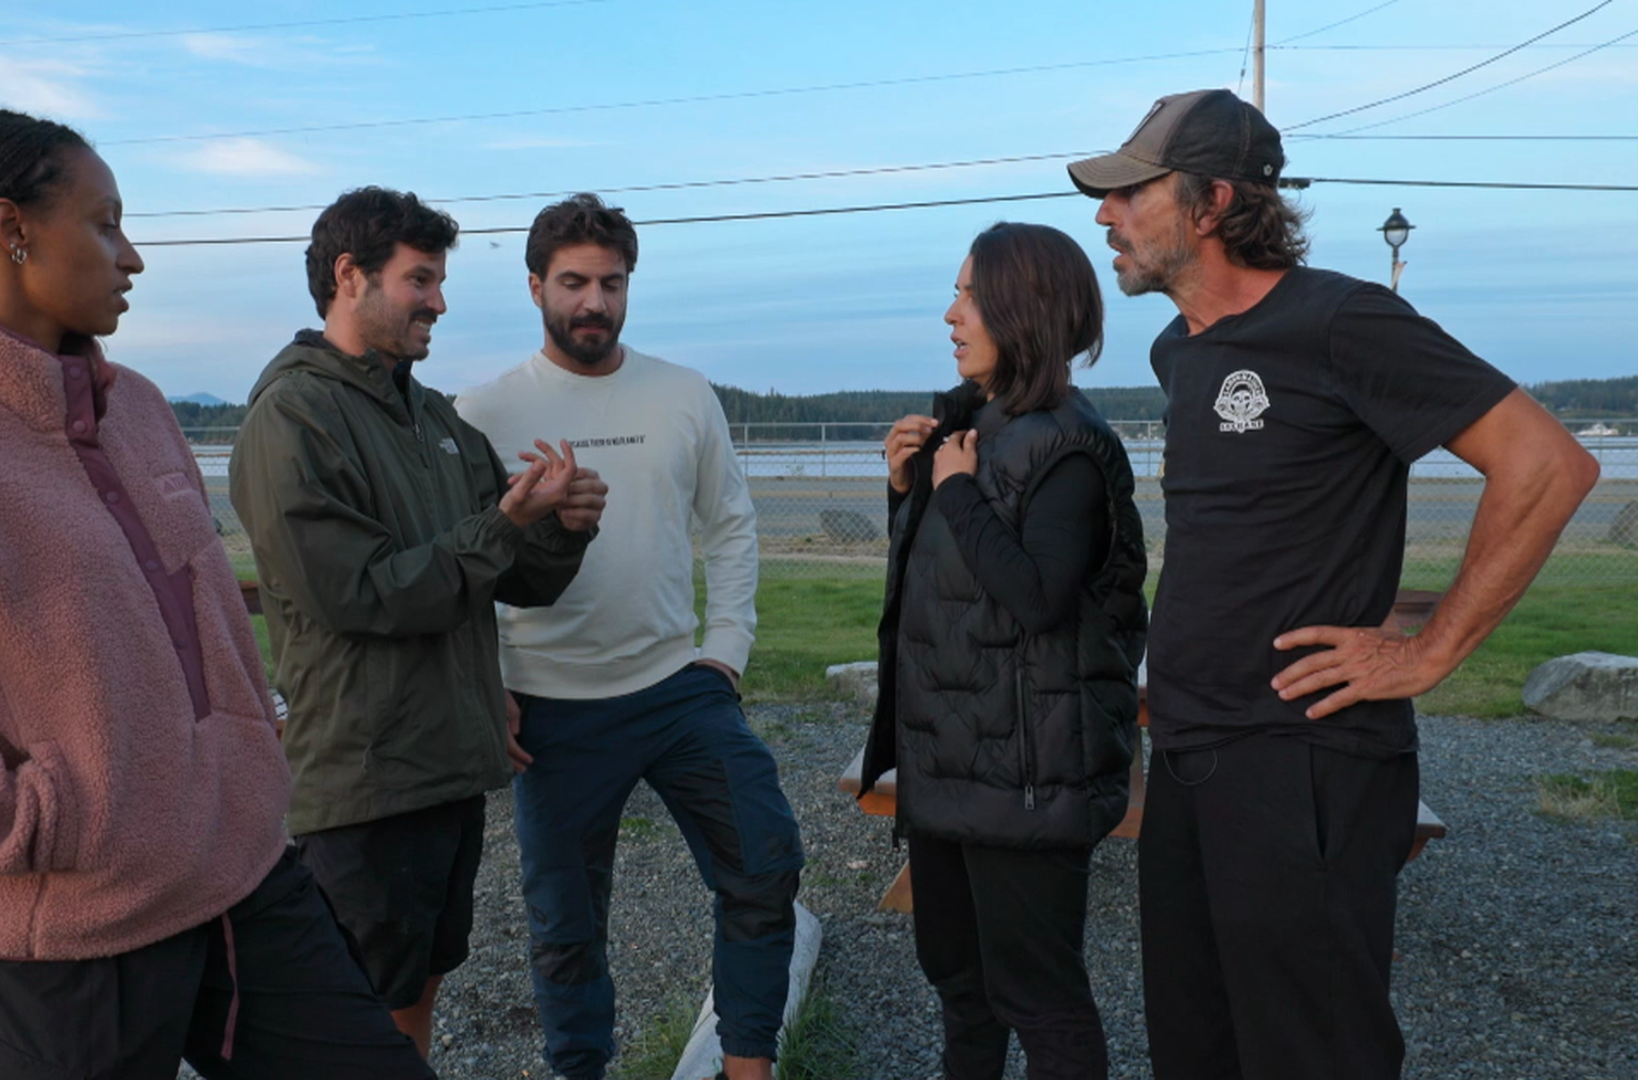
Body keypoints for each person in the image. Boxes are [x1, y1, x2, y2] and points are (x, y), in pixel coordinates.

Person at [0, 108, 432, 1079]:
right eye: (107, 225)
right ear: (13, 229)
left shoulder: (141, 407)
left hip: (239, 875)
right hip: (57, 937)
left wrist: (249, 744)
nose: (132, 258)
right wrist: (46, 819)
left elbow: (186, 618)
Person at [1068, 88, 1601, 1079]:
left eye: (1128, 193)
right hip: (1189, 746)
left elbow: (1548, 465)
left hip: (1304, 761)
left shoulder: (1343, 321)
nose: (1105, 214)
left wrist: (1432, 648)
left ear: (1211, 201)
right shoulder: (1177, 351)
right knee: (1197, 1044)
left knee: (1312, 1051)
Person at [228, 185, 604, 1061]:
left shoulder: (433, 416)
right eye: (421, 279)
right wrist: (505, 523)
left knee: (416, 990)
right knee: (354, 1013)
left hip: (446, 765)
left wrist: (560, 527)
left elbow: (513, 579)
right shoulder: (293, 417)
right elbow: (360, 596)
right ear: (349, 276)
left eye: (439, 280)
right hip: (365, 779)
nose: (440, 300)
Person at [454, 194, 803, 1080]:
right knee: (565, 927)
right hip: (549, 707)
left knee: (764, 863)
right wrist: (487, 683)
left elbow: (729, 526)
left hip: (676, 686)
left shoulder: (683, 393)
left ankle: (747, 1064)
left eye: (611, 283)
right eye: (573, 282)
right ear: (536, 287)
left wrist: (724, 649)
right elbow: (467, 570)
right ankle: (581, 1069)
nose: (594, 303)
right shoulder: (483, 413)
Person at [857, 222, 1148, 1080]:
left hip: (1030, 777)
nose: (951, 313)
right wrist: (909, 488)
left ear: (1023, 309)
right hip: (952, 764)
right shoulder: (972, 428)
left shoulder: (1070, 446)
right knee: (960, 983)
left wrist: (952, 492)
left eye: (969, 295)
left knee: (1040, 999)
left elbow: (1037, 597)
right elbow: (942, 594)